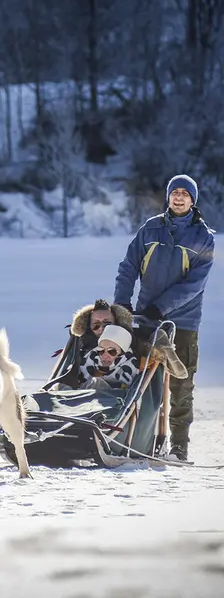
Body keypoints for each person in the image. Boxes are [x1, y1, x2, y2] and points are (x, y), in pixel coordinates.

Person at [114, 174, 215, 461]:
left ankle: (179, 447)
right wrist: (123, 301)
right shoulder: (151, 228)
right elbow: (128, 266)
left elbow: (194, 285)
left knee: (181, 386)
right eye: (175, 192)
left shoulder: (203, 237)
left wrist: (161, 308)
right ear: (168, 197)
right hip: (145, 319)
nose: (179, 197)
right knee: (139, 381)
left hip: (181, 322)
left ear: (193, 200)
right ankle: (135, 439)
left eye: (185, 193)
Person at [79, 324, 139, 391]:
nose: (104, 355)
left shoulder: (128, 369)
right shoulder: (89, 359)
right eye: (101, 350)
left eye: (112, 351)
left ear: (122, 353)